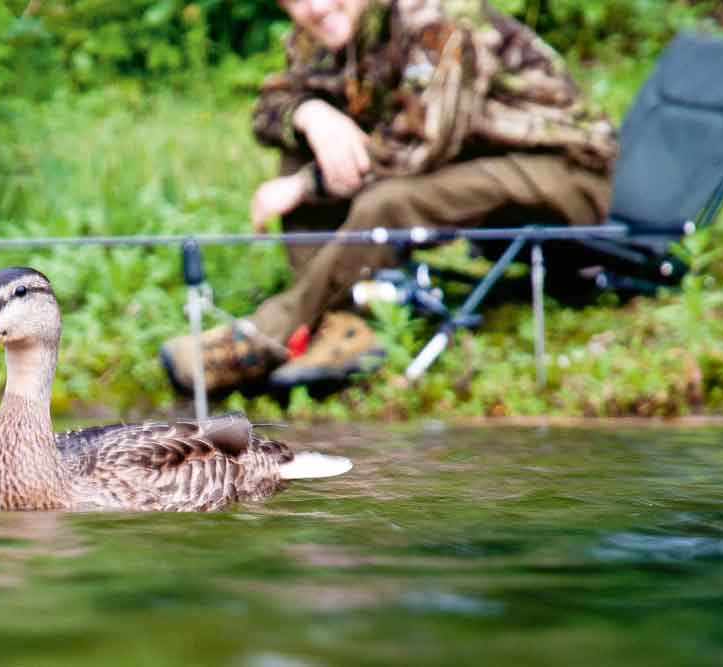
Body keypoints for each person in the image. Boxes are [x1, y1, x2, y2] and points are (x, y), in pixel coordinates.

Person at [161, 0, 618, 396]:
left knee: (389, 202)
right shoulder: (322, 34)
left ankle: (269, 333)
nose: (315, 7)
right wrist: (311, 113)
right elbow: (268, 107)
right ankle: (342, 322)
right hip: (467, 165)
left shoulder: (434, 17)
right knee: (306, 147)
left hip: (564, 172)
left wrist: (304, 185)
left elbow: (418, 146)